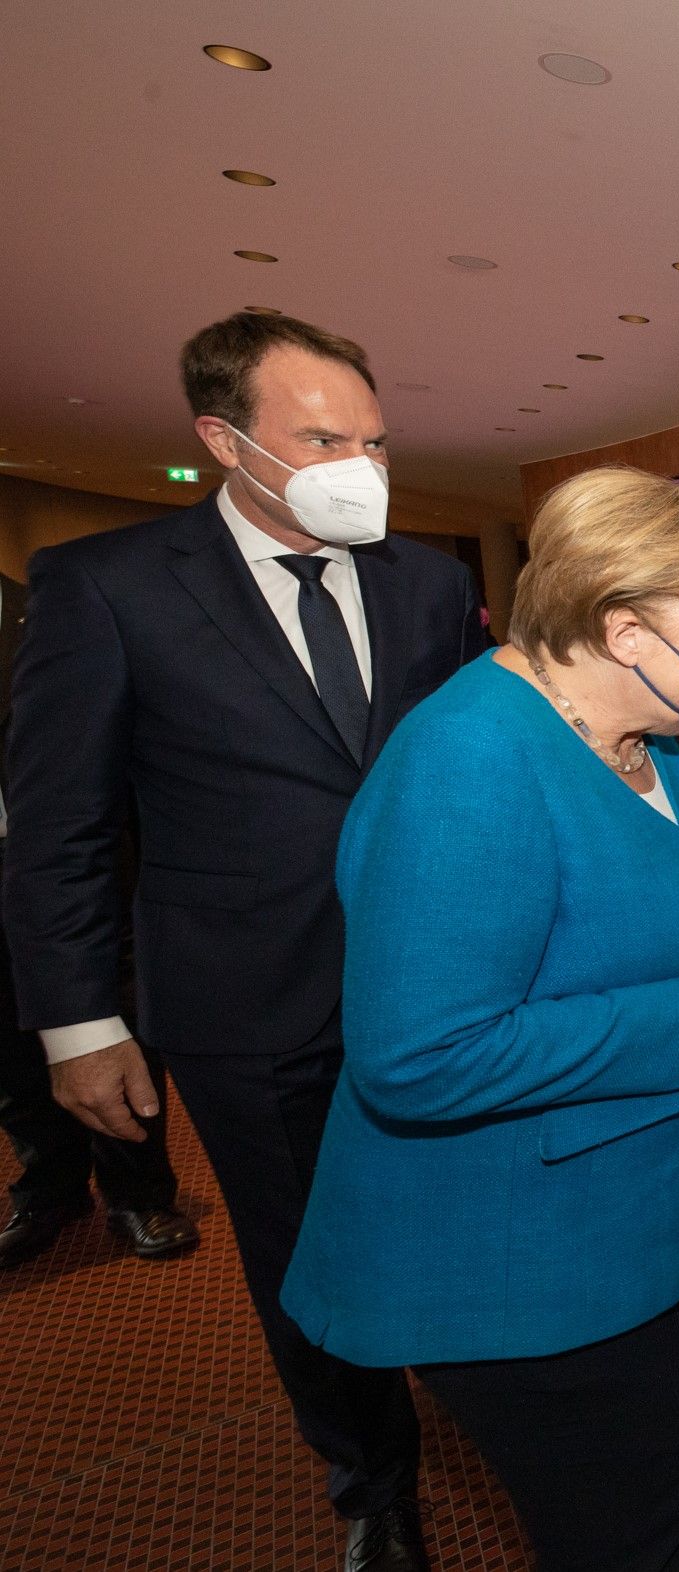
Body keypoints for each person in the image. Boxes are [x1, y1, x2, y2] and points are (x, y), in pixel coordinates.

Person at [4, 311, 487, 1570]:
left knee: (447, 1214)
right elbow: (58, 827)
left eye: (375, 441)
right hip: (243, 1003)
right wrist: (80, 1021)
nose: (361, 467)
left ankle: (469, 1397)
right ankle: (372, 1478)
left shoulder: (429, 582)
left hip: (436, 987)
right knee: (304, 1258)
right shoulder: (107, 587)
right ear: (224, 441)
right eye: (324, 439)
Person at [281, 466, 679, 1572]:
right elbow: (421, 1058)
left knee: (659, 1502)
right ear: (622, 629)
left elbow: (660, 884)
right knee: (624, 1539)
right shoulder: (469, 760)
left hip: (632, 1225)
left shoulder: (638, 735)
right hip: (529, 1268)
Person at [0, 575, 197, 1268]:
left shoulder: (48, 609)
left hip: (77, 868)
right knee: (13, 1051)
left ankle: (140, 1194)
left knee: (110, 1030)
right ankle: (48, 1187)